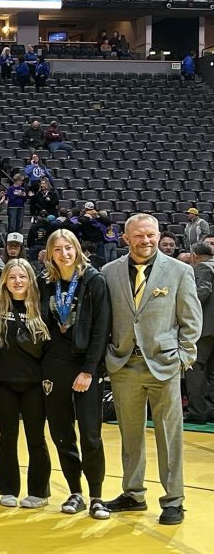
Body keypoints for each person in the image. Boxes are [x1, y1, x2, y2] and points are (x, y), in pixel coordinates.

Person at [100, 214, 201, 526]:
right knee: (130, 436)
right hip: (124, 366)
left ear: (159, 236)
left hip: (165, 366)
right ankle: (133, 494)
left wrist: (183, 357)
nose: (146, 241)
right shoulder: (109, 272)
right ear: (126, 238)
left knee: (169, 438)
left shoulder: (180, 271)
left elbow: (191, 320)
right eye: (139, 236)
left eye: (151, 235)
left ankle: (174, 500)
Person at [38, 229, 112, 520]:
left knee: (90, 435)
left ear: (77, 249)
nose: (64, 254)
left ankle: (96, 496)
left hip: (85, 367)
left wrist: (89, 370)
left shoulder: (94, 280)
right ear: (50, 253)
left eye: (69, 248)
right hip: (54, 367)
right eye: (58, 249)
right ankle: (75, 493)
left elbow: (100, 329)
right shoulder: (46, 282)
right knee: (61, 434)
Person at [0, 258, 51, 509]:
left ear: (30, 280)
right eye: (12, 277)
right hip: (4, 382)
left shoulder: (42, 307)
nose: (17, 282)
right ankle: (8, 489)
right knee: (7, 437)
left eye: (22, 277)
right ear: (4, 280)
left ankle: (39, 491)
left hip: (34, 384)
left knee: (36, 438)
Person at [187, 242, 214, 423]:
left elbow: (203, 291)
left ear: (194, 256)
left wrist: (184, 301)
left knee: (194, 368)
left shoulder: (203, 267)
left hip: (205, 328)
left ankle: (197, 412)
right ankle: (210, 409)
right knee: (211, 371)